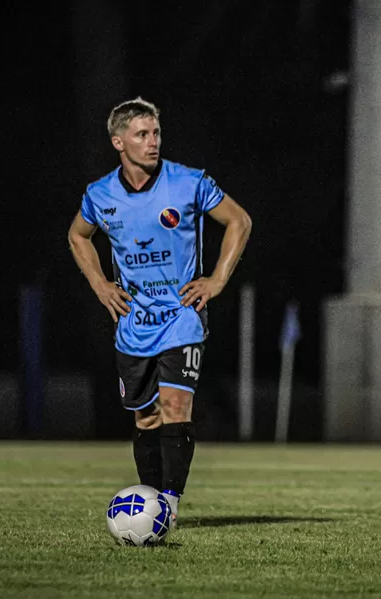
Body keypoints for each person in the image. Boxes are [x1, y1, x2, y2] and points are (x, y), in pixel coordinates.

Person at [67, 98, 252, 530]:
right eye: (141, 135)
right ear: (118, 141)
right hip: (134, 324)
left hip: (182, 316)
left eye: (156, 133)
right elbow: (78, 236)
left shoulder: (188, 183)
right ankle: (151, 501)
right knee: (145, 416)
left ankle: (168, 505)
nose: (153, 143)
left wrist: (217, 280)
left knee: (175, 405)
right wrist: (100, 284)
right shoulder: (100, 195)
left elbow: (239, 221)